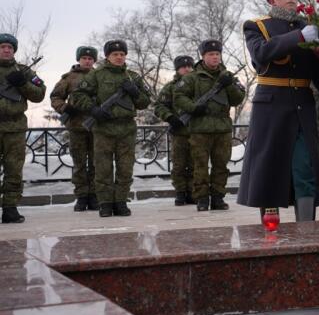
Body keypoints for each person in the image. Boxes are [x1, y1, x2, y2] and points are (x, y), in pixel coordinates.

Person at [237, 0, 319, 222]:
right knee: (269, 167)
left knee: (304, 166)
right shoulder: (257, 25)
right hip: (271, 105)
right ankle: (271, 226)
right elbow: (261, 53)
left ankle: (306, 228)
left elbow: (318, 70)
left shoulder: (308, 27)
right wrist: (299, 37)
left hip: (302, 105)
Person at [70, 40, 150, 217]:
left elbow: (145, 102)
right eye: (115, 54)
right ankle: (105, 203)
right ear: (107, 56)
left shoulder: (132, 77)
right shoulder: (96, 75)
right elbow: (77, 96)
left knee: (125, 168)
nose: (119, 57)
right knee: (103, 168)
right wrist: (93, 109)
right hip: (103, 129)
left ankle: (121, 201)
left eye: (122, 54)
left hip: (126, 128)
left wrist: (135, 92)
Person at [174, 40, 246, 212]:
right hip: (200, 128)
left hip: (222, 128)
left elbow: (237, 99)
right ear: (203, 56)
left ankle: (218, 197)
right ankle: (202, 198)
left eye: (217, 54)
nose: (215, 57)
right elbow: (178, 96)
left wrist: (229, 85)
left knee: (221, 165)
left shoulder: (227, 76)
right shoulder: (193, 77)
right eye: (211, 54)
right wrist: (193, 108)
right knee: (200, 165)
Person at [0, 34, 46, 223]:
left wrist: (22, 83)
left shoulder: (24, 71)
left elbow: (39, 93)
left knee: (14, 169)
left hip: (15, 127)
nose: (6, 50)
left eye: (10, 47)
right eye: (2, 46)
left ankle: (10, 208)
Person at [49, 46, 98, 211]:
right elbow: (55, 96)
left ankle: (94, 196)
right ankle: (81, 197)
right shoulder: (69, 78)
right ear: (78, 59)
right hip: (76, 126)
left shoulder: (99, 76)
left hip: (96, 126)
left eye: (90, 58)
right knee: (79, 164)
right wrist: (65, 108)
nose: (87, 61)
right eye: (84, 58)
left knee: (96, 163)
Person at [154, 55, 195, 206]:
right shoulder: (171, 87)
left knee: (195, 164)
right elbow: (159, 106)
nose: (187, 69)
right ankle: (180, 193)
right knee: (178, 164)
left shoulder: (198, 85)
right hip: (179, 132)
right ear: (178, 69)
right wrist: (170, 117)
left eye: (190, 66)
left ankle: (192, 192)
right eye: (184, 67)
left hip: (197, 131)